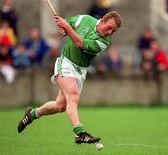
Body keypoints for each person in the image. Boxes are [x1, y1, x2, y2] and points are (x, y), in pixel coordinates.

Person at [17, 11, 122, 144]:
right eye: (109, 28)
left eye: (113, 31)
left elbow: (79, 43)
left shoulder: (104, 42)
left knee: (60, 106)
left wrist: (66, 27)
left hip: (81, 70)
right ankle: (80, 133)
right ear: (102, 20)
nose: (110, 32)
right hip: (66, 62)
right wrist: (63, 27)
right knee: (73, 95)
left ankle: (31, 114)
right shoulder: (85, 19)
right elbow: (67, 23)